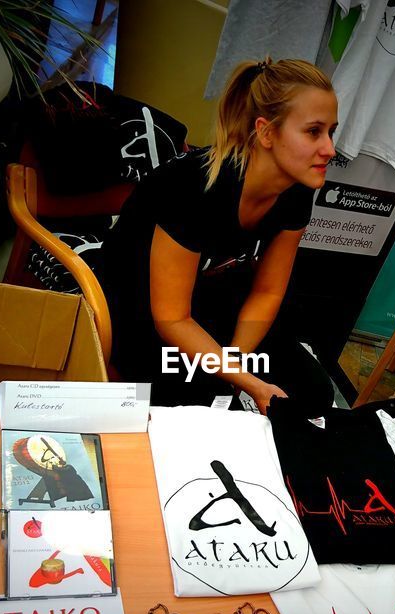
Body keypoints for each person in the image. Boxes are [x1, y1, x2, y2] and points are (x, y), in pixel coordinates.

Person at [101, 58, 338, 414]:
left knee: (315, 393)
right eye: (313, 132)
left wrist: (235, 365)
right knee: (191, 396)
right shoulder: (192, 188)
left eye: (331, 132)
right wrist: (248, 381)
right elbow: (172, 318)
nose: (330, 149)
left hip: (206, 298)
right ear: (267, 132)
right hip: (137, 310)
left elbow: (268, 291)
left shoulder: (298, 189)